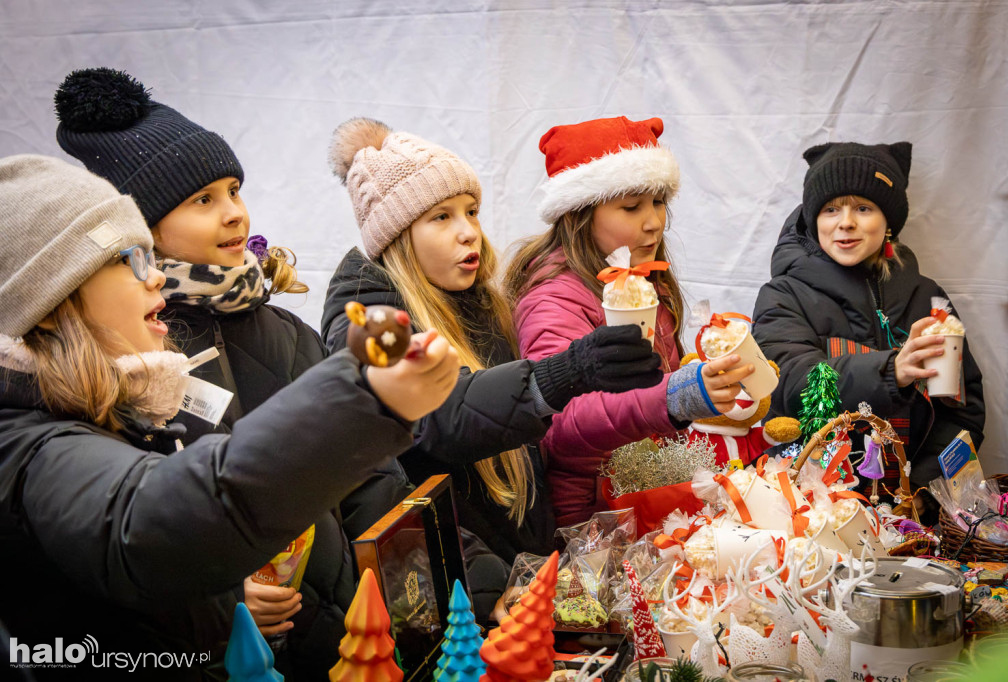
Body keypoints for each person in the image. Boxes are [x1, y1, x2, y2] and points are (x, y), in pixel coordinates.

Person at [0, 154, 458, 680]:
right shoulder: (24, 441)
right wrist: (364, 398)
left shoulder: (123, 409)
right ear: (54, 299)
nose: (156, 282)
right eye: (132, 259)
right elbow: (147, 525)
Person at [52, 68, 403, 679]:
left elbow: (370, 479)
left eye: (234, 190)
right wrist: (223, 595)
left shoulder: (283, 332)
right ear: (143, 228)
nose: (235, 214)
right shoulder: (124, 358)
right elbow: (129, 535)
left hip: (349, 635)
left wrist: (417, 578)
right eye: (203, 200)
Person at [320, 118, 665, 596]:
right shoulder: (365, 321)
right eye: (441, 217)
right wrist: (568, 372)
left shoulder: (481, 304)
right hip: (460, 594)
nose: (469, 233)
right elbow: (439, 414)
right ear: (396, 235)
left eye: (472, 212)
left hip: (521, 572)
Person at [505, 115, 753, 527]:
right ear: (578, 214)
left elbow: (652, 385)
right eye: (631, 206)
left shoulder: (645, 279)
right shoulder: (553, 297)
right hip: (586, 521)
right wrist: (676, 396)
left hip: (646, 500)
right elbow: (560, 421)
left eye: (658, 202)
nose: (654, 221)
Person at [752, 141, 985, 488]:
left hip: (911, 514)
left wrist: (922, 490)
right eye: (830, 210)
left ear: (888, 220)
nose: (845, 223)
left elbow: (961, 413)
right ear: (813, 218)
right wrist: (892, 371)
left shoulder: (928, 299)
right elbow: (789, 385)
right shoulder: (783, 295)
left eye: (863, 208)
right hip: (812, 512)